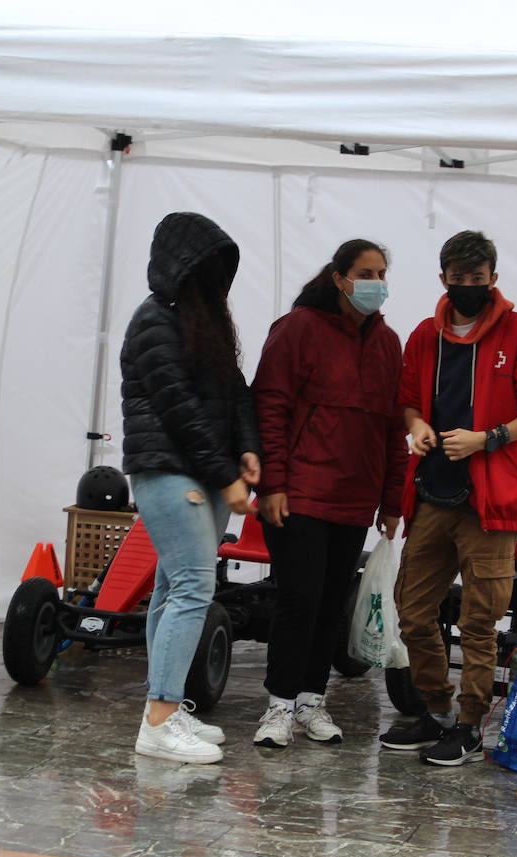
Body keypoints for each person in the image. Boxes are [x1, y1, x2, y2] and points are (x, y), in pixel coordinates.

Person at [380, 230, 517, 767]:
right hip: (433, 493)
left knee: (480, 621)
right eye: (458, 280)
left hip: (492, 501)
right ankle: (435, 711)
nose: (467, 288)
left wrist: (489, 438)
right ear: (444, 279)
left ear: (493, 280)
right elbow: (408, 402)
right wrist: (417, 428)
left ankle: (468, 724)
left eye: (477, 280)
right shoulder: (422, 337)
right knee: (412, 611)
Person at [250, 240, 408, 748]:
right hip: (299, 492)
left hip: (355, 497)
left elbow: (392, 428)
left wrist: (392, 499)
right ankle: (278, 704)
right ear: (340, 278)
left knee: (330, 604)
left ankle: (312, 701)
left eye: (382, 273)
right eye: (366, 272)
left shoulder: (389, 344)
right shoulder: (296, 328)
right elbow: (269, 409)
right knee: (298, 598)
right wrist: (271, 484)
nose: (376, 283)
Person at [120, 211, 261, 764]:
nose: (213, 277)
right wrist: (228, 476)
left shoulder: (203, 325)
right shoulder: (154, 320)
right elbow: (177, 409)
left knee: (172, 589)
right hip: (168, 471)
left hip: (203, 471)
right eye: (204, 264)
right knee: (193, 589)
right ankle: (158, 722)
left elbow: (236, 393)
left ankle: (168, 708)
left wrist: (247, 448)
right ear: (179, 265)